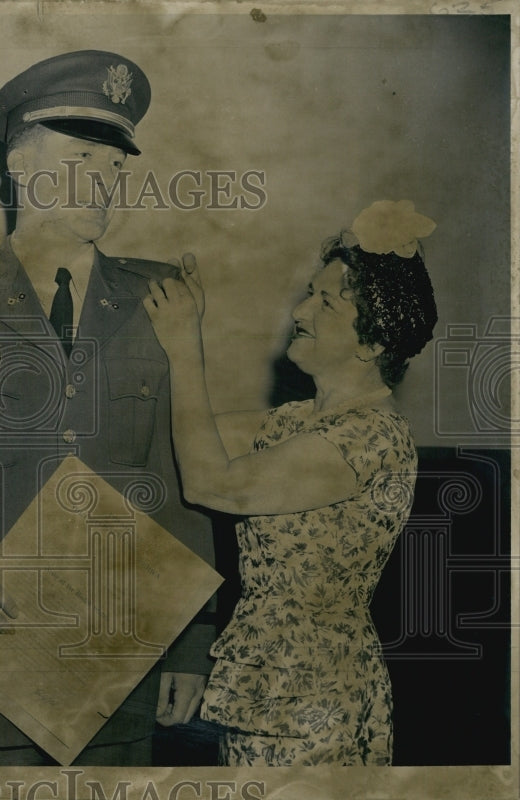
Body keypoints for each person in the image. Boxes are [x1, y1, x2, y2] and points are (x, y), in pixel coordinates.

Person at [0, 50, 217, 767]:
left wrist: (191, 640)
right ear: (20, 167)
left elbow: (182, 476)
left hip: (116, 667)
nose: (105, 183)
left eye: (115, 167)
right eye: (83, 159)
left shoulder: (161, 300)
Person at [143, 199, 439, 766]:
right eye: (310, 292)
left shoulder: (372, 435)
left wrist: (185, 344)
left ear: (372, 343)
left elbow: (214, 485)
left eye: (326, 301)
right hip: (265, 686)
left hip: (317, 695)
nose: (301, 310)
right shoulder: (295, 421)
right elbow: (183, 434)